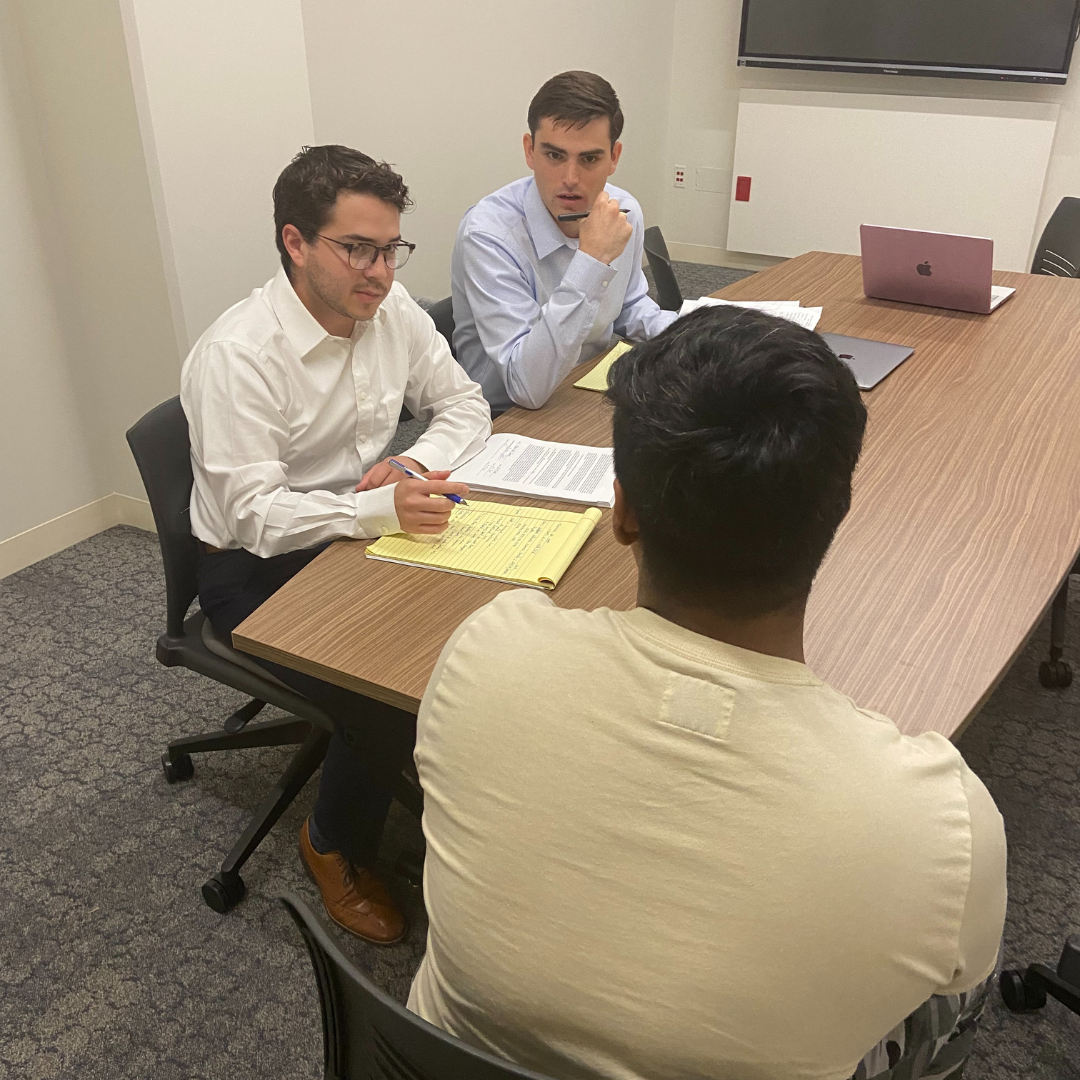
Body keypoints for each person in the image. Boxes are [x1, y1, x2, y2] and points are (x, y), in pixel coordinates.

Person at [408, 306, 1007, 1080]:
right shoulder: (943, 824)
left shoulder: (485, 652)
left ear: (621, 510)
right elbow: (962, 970)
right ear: (836, 514)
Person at [180, 145, 489, 944]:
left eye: (391, 249)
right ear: (295, 243)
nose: (381, 273)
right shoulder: (239, 355)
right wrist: (372, 512)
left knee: (485, 616)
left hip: (356, 530)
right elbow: (253, 516)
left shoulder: (390, 311)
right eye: (357, 249)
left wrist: (413, 461)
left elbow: (465, 404)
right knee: (384, 690)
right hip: (254, 570)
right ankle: (332, 844)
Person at [451, 70, 678, 415]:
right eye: (554, 156)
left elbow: (629, 306)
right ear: (529, 151)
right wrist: (592, 262)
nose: (570, 179)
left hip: (587, 387)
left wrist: (695, 332)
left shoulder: (623, 211)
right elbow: (525, 385)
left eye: (589, 159)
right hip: (507, 418)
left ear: (614, 157)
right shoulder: (489, 234)